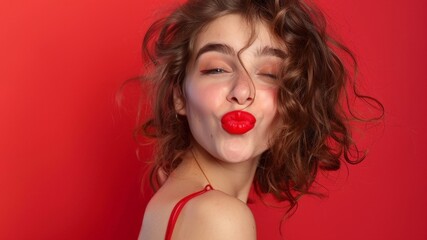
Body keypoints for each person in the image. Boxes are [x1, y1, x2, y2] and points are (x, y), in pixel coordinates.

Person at [136, 0, 383, 239]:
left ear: (295, 100)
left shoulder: (176, 199)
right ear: (179, 95)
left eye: (269, 73)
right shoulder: (219, 216)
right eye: (217, 69)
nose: (242, 91)